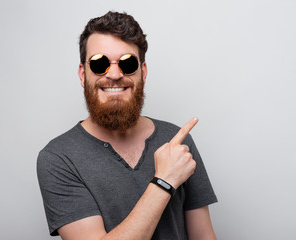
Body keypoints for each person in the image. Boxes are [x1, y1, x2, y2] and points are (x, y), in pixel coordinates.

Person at [37, 11, 218, 240]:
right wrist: (164, 181)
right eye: (99, 63)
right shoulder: (58, 158)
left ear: (142, 72)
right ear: (83, 74)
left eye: (127, 63)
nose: (113, 74)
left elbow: (203, 236)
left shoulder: (177, 141)